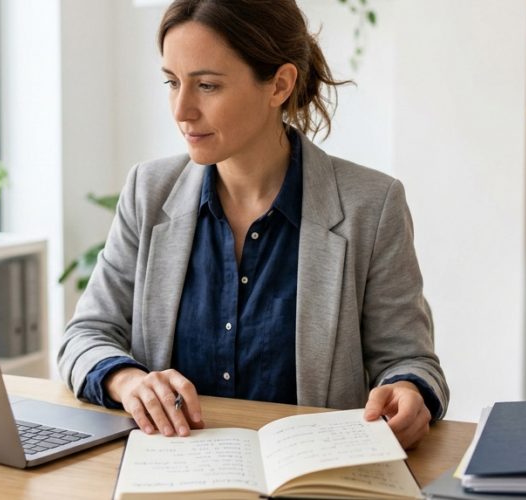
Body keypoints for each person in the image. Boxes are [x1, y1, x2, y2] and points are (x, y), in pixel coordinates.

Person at [57, 0, 448, 449]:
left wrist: (409, 390)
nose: (181, 110)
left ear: (279, 84)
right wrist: (126, 381)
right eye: (171, 82)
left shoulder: (371, 205)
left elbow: (410, 359)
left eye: (206, 85)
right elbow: (85, 336)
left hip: (312, 478)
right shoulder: (149, 191)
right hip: (171, 474)